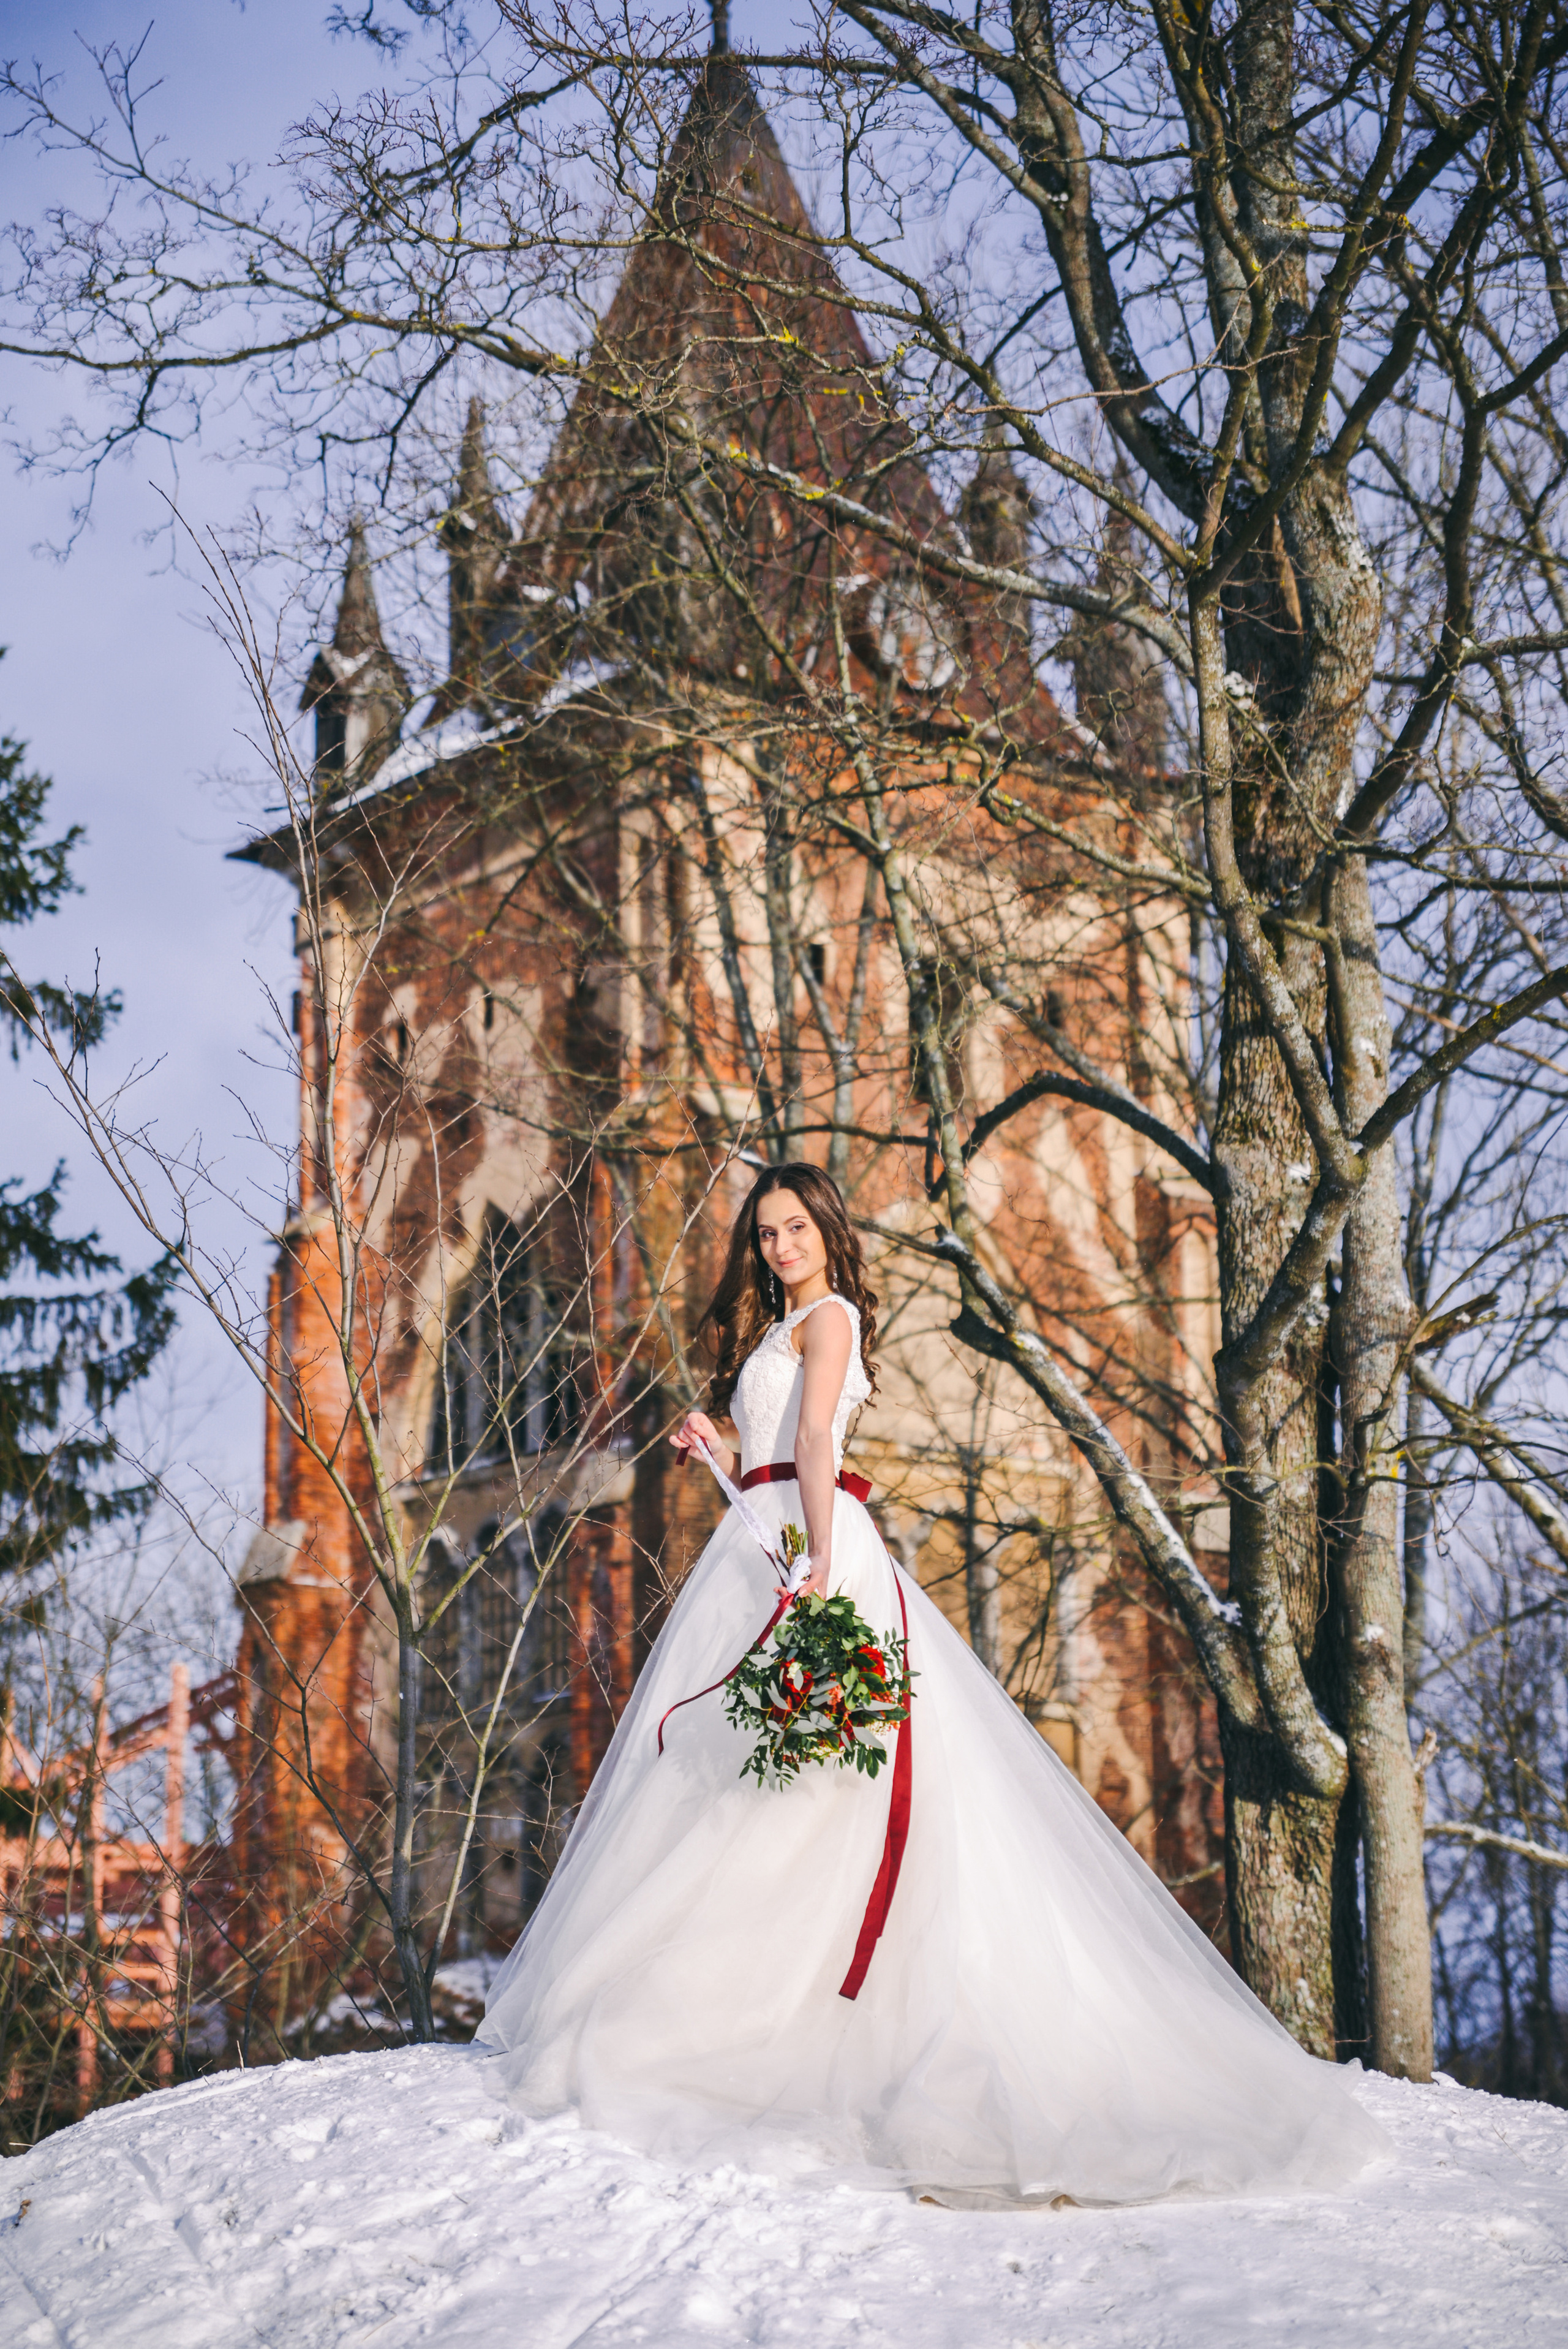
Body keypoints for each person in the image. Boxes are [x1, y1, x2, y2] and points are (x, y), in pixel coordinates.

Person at [481, 1163, 1389, 2207]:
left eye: (796, 1227)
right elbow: (780, 1441)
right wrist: (719, 1438)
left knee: (816, 1774)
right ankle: (753, 1996)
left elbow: (821, 1441)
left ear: (828, 1228)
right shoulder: (778, 1330)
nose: (780, 1246)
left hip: (808, 1546)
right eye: (766, 1232)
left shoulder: (829, 1319)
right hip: (762, 1537)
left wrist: (820, 1562)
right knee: (749, 1775)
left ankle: (799, 2013)